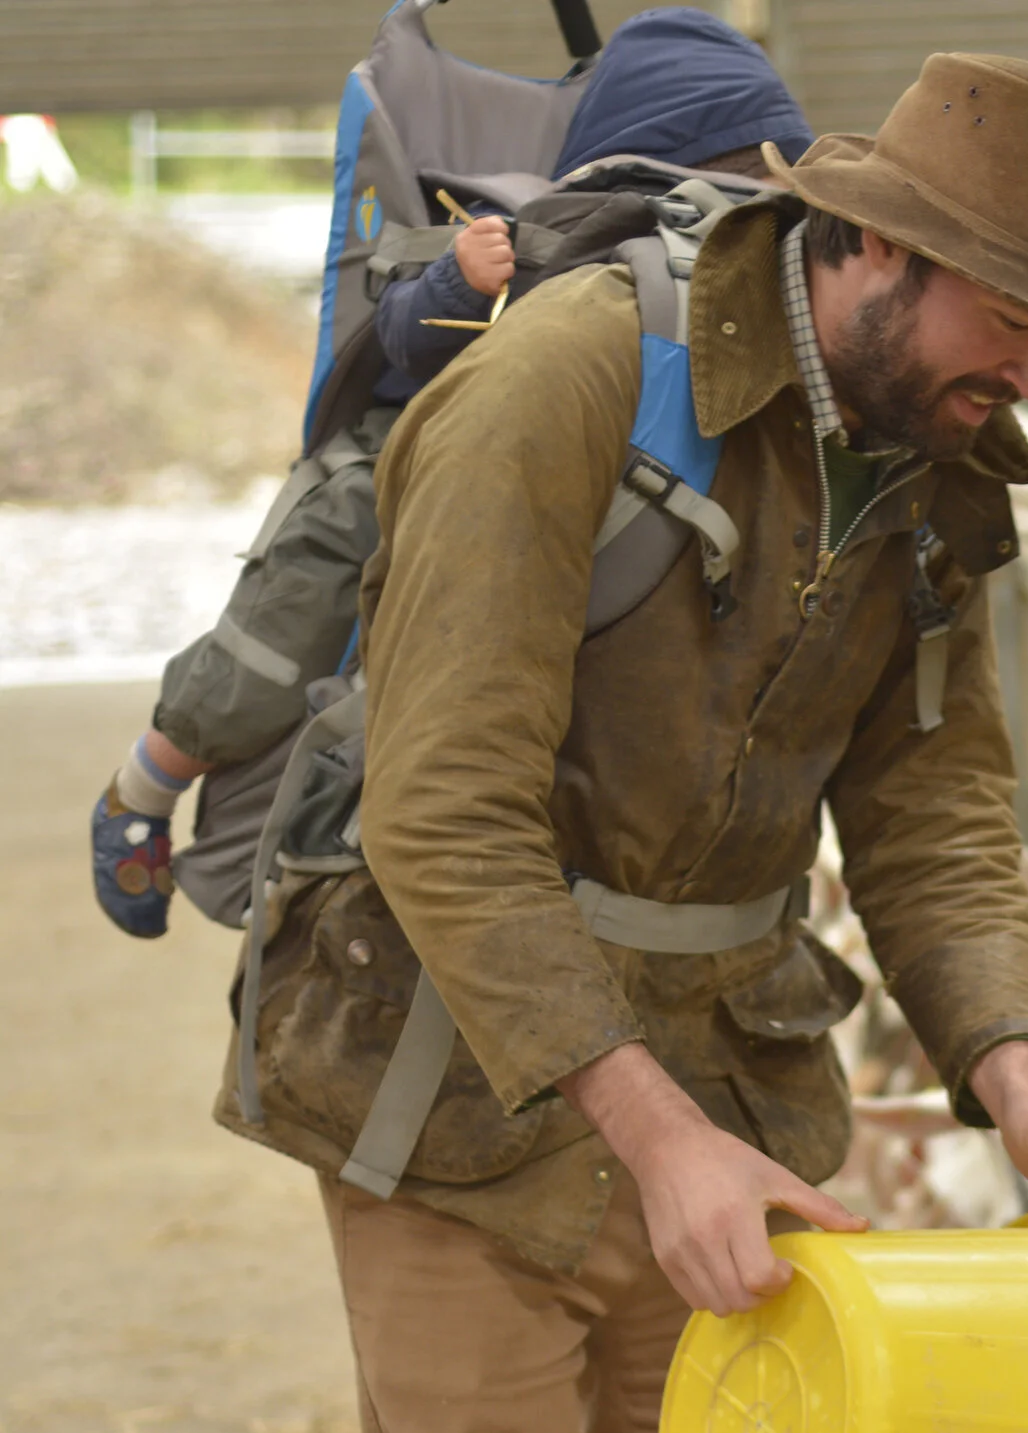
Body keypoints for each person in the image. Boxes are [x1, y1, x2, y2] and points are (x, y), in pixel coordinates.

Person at [217, 51, 1028, 1433]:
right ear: (875, 246)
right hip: (456, 1096)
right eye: (1013, 316)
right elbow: (441, 809)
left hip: (733, 1096)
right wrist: (656, 1138)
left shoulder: (937, 459)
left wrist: (1020, 1076)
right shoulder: (568, 382)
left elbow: (933, 801)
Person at [89, 6, 814, 938]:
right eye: (744, 182)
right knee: (282, 631)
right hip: (403, 456)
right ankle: (146, 782)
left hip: (562, 502)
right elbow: (394, 331)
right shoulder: (537, 233)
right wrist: (457, 281)